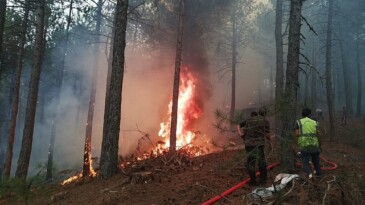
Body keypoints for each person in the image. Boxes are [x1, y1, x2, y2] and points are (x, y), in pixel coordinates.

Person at [237, 107, 271, 185]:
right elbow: (267, 135)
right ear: (265, 114)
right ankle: (262, 180)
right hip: (259, 145)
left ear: (259, 113)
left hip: (249, 144)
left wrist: (240, 134)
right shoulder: (265, 121)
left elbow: (238, 125)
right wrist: (270, 143)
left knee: (251, 163)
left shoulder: (249, 120)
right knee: (261, 162)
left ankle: (253, 181)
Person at [294, 108, 322, 179]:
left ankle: (309, 176)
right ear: (310, 114)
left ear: (302, 114)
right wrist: (320, 146)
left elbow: (297, 134)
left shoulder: (299, 122)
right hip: (314, 145)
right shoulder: (315, 122)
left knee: (305, 162)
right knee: (316, 162)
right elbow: (319, 134)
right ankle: (319, 176)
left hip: (304, 145)